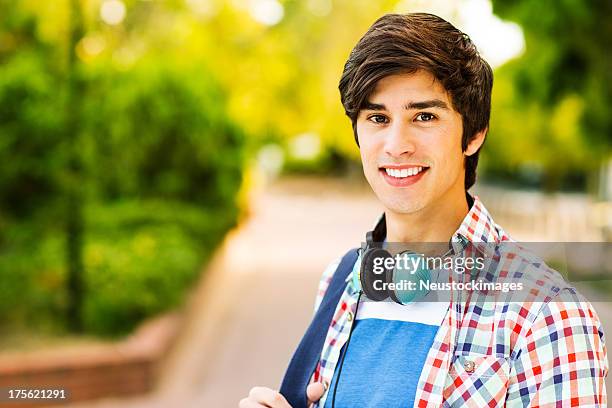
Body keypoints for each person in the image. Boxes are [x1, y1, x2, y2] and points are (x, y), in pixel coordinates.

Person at [239, 12, 608, 408]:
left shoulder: (548, 315)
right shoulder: (341, 281)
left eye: (425, 116)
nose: (397, 144)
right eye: (378, 118)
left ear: (474, 134)